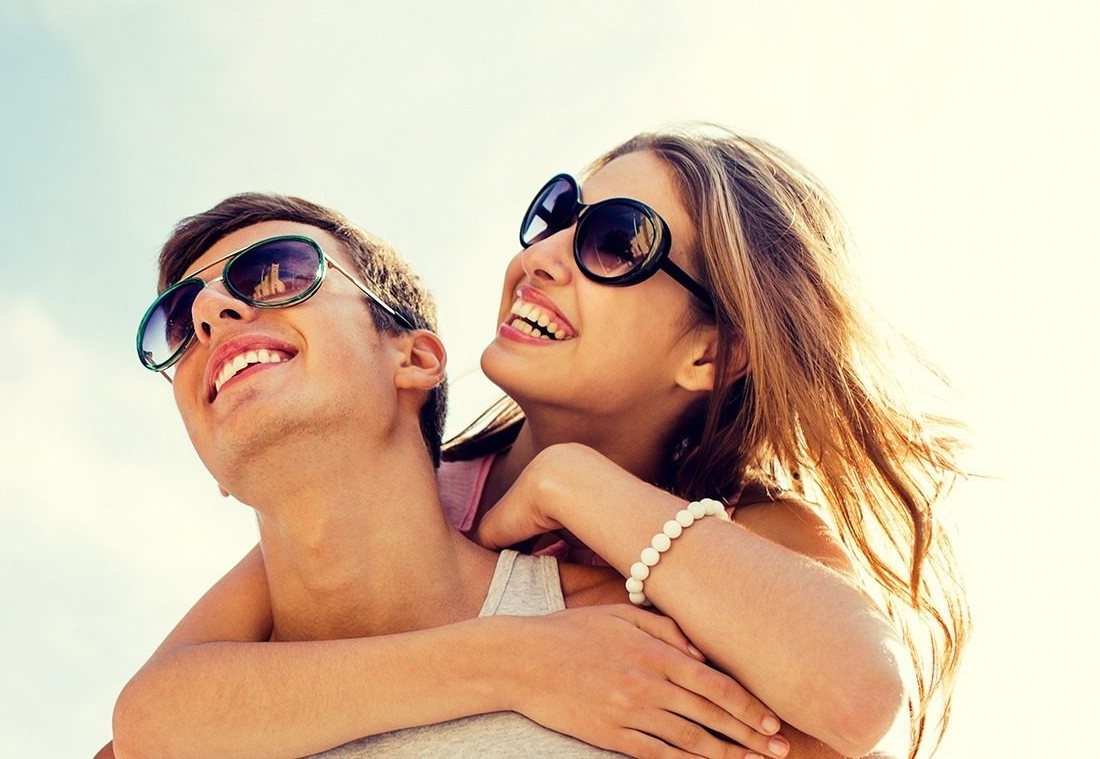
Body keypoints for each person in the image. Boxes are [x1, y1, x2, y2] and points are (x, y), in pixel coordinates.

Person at [112, 126, 967, 758]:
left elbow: (855, 696)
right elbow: (151, 718)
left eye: (614, 241)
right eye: (557, 216)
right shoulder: (418, 487)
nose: (544, 255)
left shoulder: (749, 535)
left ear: (710, 352)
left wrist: (569, 481)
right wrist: (510, 660)